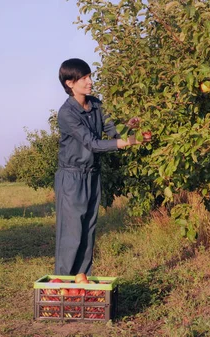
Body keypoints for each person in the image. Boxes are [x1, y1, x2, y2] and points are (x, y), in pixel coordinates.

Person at [54, 58, 148, 276]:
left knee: (88, 232)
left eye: (89, 76)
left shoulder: (96, 104)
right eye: (84, 78)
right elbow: (92, 144)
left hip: (92, 175)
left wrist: (131, 127)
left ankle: (81, 283)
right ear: (70, 83)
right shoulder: (67, 113)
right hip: (72, 178)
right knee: (71, 234)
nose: (89, 82)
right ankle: (63, 287)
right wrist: (128, 143)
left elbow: (114, 131)